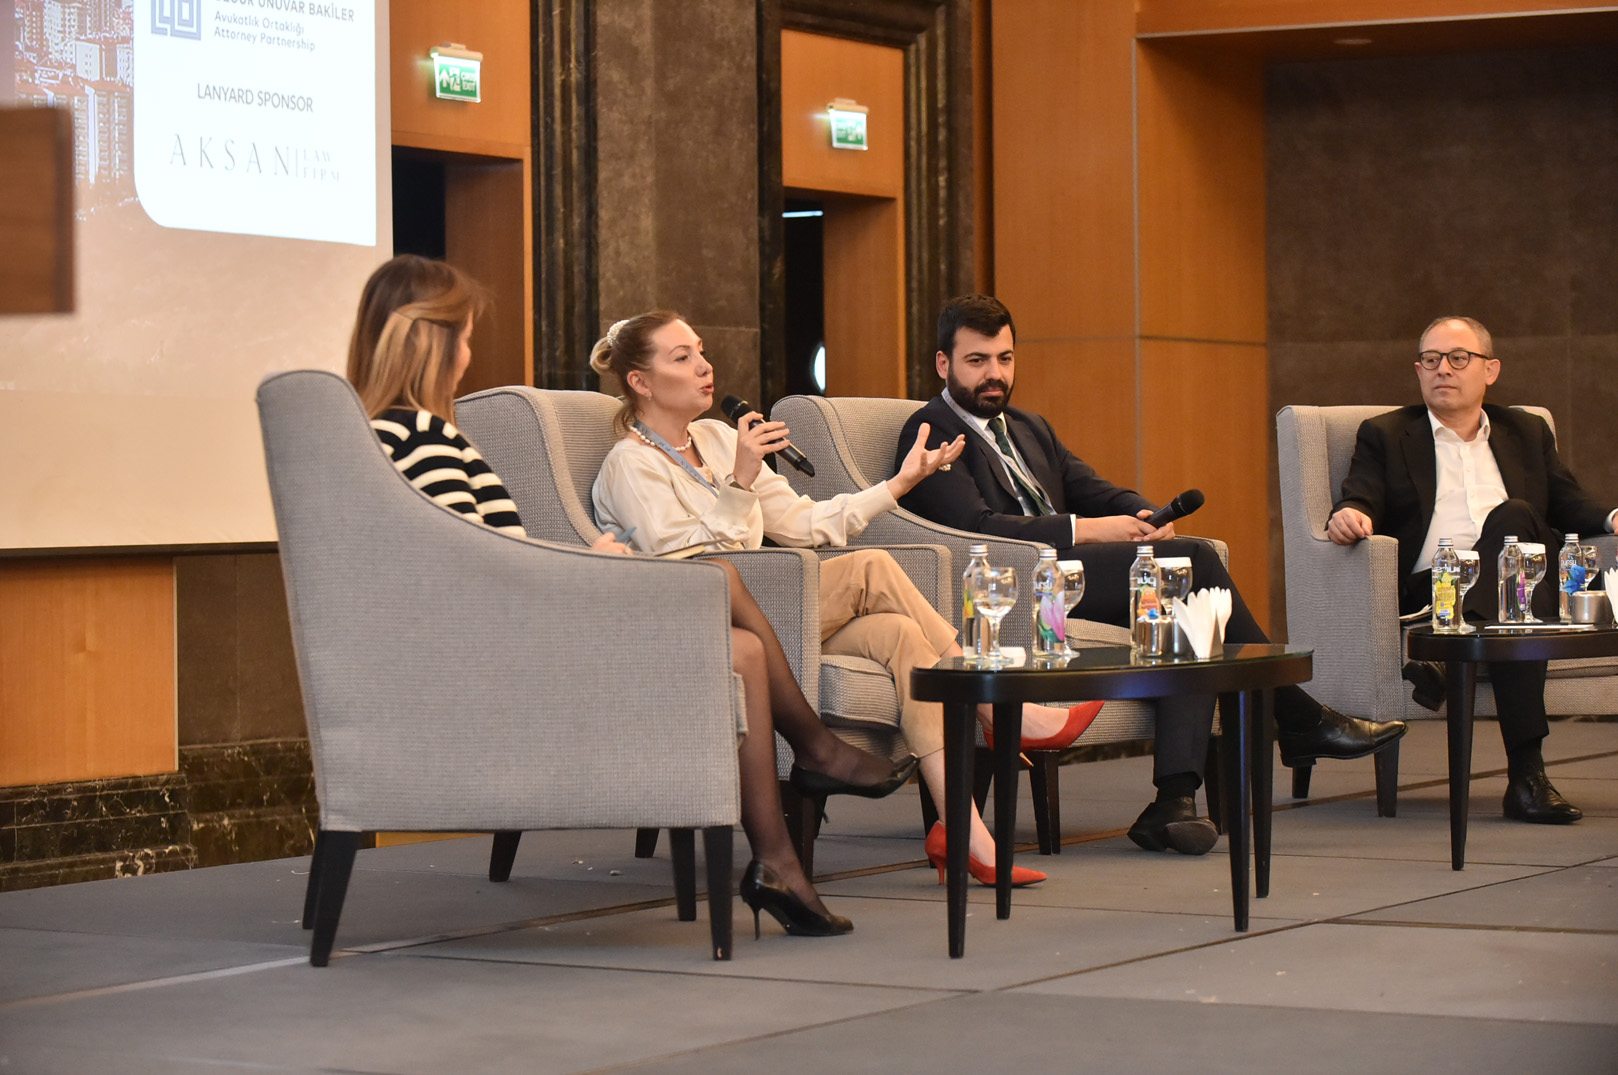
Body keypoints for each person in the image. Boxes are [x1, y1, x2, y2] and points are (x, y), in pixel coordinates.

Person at [346, 255, 911, 940]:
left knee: (740, 649)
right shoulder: (421, 437)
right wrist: (586, 563)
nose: (467, 354)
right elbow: (477, 572)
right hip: (525, 634)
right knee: (720, 577)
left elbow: (480, 558)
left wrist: (581, 558)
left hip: (535, 612)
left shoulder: (396, 437)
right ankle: (813, 758)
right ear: (427, 341)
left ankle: (778, 861)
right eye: (462, 337)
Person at [590, 310, 1105, 888]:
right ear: (640, 381)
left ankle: (964, 834)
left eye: (702, 351)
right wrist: (740, 480)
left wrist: (899, 484)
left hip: (779, 611)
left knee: (901, 636)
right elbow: (691, 567)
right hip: (708, 624)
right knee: (870, 568)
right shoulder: (630, 465)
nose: (704, 366)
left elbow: (805, 523)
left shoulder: (716, 439)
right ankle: (1000, 704)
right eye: (682, 357)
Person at [898, 293, 1408, 852]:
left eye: (1005, 358)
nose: (995, 374)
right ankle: (1299, 717)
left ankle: (1174, 801)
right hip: (1007, 590)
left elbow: (1095, 488)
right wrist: (1093, 530)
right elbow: (976, 528)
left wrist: (1146, 514)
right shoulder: (930, 430)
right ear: (943, 364)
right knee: (1194, 563)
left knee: (1184, 609)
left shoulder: (1027, 426)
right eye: (977, 361)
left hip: (1071, 580)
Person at [1329, 316, 1617, 824]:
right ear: (1419, 371)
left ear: (1490, 370)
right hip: (1437, 587)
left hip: (1520, 575)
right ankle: (1527, 777)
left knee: (1515, 534)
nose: (1443, 369)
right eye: (1431, 359)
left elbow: (1568, 501)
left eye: (1458, 358)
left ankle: (1448, 661)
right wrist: (1348, 514)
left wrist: (1611, 518)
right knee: (1517, 600)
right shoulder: (1387, 433)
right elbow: (1362, 494)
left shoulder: (1525, 430)